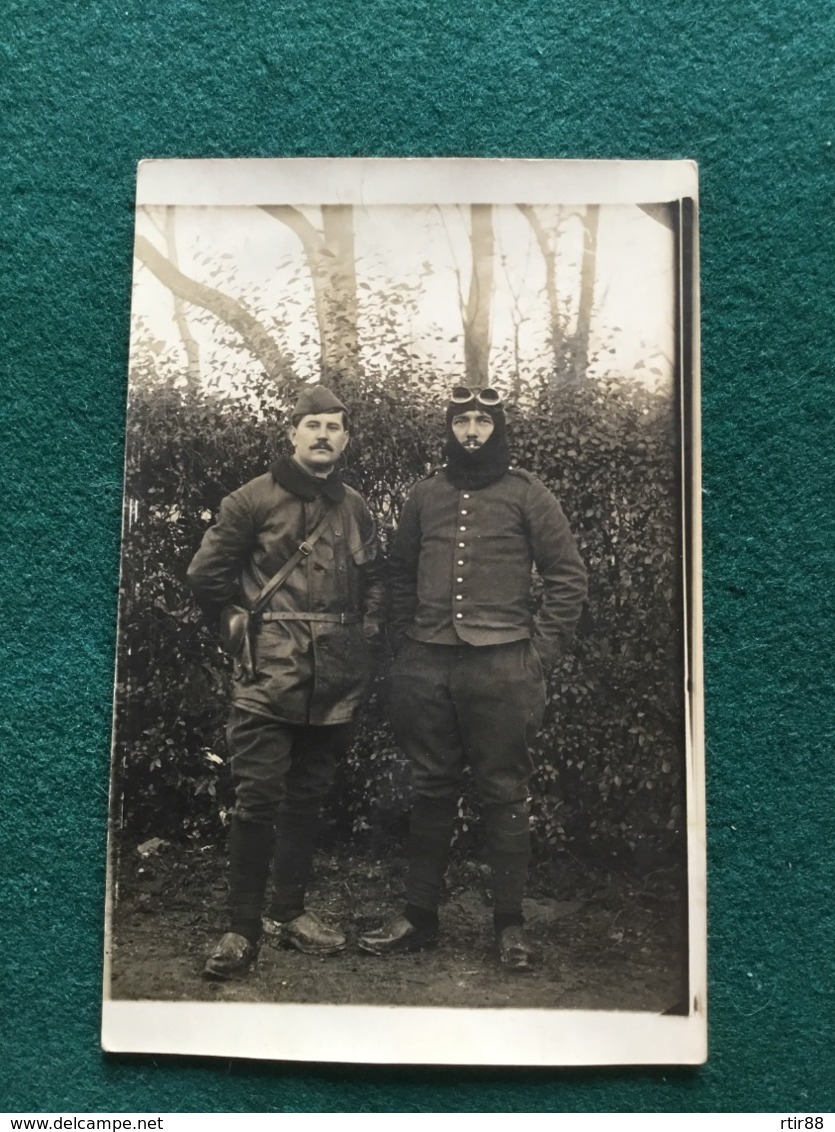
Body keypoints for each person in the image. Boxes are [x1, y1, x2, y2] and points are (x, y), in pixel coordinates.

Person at [358, 386, 587, 971]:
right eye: (462, 421)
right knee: (431, 786)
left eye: (483, 421)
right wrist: (409, 644)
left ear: (498, 429)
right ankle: (419, 917)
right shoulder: (423, 495)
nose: (472, 433)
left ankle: (510, 927)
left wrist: (538, 655)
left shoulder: (528, 494)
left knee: (504, 790)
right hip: (427, 663)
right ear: (449, 429)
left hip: (503, 666)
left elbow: (567, 579)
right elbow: (401, 573)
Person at [187, 385, 385, 979]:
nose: (324, 435)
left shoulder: (354, 505)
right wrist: (240, 628)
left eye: (334, 427)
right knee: (257, 799)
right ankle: (241, 930)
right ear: (292, 434)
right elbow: (205, 578)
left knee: (308, 799)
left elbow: (376, 577)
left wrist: (368, 631)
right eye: (313, 426)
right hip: (267, 674)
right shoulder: (251, 500)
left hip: (336, 680)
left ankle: (290, 913)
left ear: (345, 438)